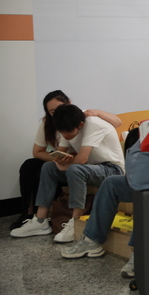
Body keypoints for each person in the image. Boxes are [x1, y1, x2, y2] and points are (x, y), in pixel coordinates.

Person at [60, 128, 149, 278]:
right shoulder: (144, 140)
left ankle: (139, 253)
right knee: (111, 183)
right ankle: (92, 240)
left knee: (147, 194)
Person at [11, 104, 125, 243]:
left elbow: (82, 159)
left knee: (75, 169)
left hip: (112, 169)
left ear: (81, 124)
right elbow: (60, 153)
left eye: (68, 132)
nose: (65, 135)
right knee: (48, 167)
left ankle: (75, 222)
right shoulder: (65, 124)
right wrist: (59, 160)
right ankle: (40, 221)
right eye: (62, 132)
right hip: (91, 168)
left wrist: (66, 165)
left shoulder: (93, 124)